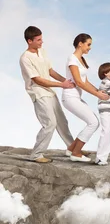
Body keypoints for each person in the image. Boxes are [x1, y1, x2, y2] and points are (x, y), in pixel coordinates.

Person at [19, 26, 76, 163]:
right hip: (39, 93)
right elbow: (37, 80)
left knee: (62, 121)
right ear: (29, 41)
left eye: (41, 38)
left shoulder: (42, 51)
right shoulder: (25, 58)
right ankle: (36, 154)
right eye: (38, 40)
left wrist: (65, 81)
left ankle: (73, 148)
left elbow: (50, 71)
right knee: (50, 123)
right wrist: (62, 85)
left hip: (50, 91)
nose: (41, 42)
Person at [61, 34, 110, 162]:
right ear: (80, 44)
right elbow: (79, 82)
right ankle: (76, 153)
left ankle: (71, 149)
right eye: (88, 44)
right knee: (94, 122)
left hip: (76, 97)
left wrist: (98, 90)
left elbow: (85, 81)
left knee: (93, 121)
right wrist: (97, 95)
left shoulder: (80, 60)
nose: (90, 47)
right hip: (70, 97)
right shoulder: (72, 59)